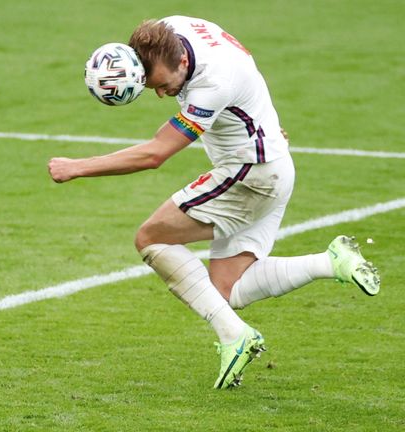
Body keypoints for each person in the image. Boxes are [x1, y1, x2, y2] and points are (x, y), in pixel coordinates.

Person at [48, 16, 380, 389]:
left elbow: (155, 154)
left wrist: (77, 167)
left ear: (184, 64)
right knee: (225, 291)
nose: (161, 95)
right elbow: (249, 75)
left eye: (166, 87)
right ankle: (330, 262)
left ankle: (234, 336)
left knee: (152, 238)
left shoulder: (212, 83)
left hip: (249, 175)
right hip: (274, 165)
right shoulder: (174, 28)